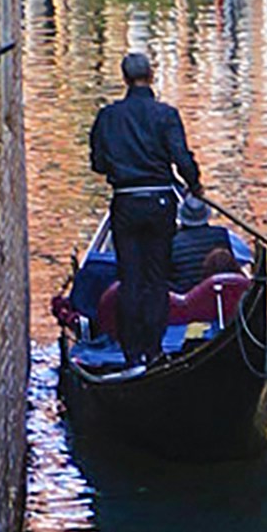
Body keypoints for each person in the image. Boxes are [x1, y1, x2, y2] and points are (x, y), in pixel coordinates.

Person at [87, 43, 201, 357]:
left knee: (130, 277)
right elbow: (182, 158)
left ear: (125, 78)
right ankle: (153, 351)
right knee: (156, 277)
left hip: (125, 203)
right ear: (151, 76)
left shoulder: (107, 117)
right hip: (160, 202)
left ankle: (132, 353)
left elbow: (98, 164)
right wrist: (195, 185)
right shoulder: (166, 115)